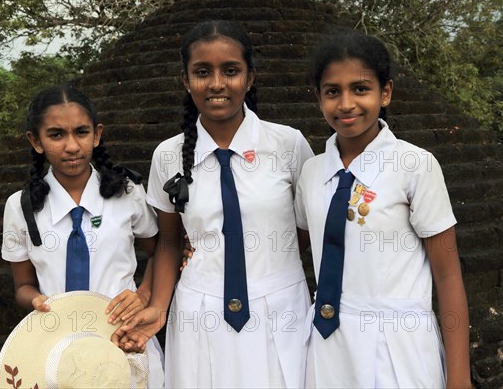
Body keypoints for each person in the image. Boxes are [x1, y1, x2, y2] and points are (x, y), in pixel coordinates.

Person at [114, 20, 315, 388]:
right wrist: (158, 306)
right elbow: (171, 242)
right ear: (186, 80)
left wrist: (264, 266)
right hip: (198, 309)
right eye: (202, 72)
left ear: (250, 78)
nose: (217, 84)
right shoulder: (169, 155)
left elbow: (306, 227)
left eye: (231, 71)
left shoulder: (289, 145)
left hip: (281, 307)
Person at [294, 32, 471, 388]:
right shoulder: (312, 172)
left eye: (360, 89)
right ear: (318, 97)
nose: (346, 104)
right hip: (329, 347)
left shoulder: (414, 165)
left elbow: (448, 276)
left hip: (398, 346)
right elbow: (304, 245)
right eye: (333, 91)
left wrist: (459, 377)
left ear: (385, 93)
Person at [0, 84, 164, 388]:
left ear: (97, 134)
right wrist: (35, 299)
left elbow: (161, 250)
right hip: (57, 349)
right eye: (56, 135)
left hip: (125, 338)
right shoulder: (20, 206)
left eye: (81, 132)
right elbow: (22, 285)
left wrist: (142, 295)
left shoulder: (127, 191)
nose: (72, 146)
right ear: (35, 141)